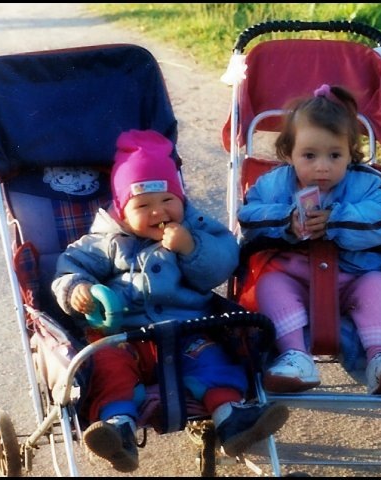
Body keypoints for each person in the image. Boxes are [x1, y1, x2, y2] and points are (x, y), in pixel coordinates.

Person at [52, 129, 289, 473]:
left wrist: (192, 248)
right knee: (108, 368)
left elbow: (224, 263)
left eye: (167, 200)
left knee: (214, 362)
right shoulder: (106, 241)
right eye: (142, 205)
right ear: (121, 211)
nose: (158, 211)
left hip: (187, 331)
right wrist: (77, 289)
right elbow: (70, 267)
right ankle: (118, 429)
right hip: (123, 335)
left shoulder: (197, 230)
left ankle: (231, 418)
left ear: (181, 198)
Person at [237, 84, 381, 396]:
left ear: (350, 153)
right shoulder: (274, 184)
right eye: (309, 155)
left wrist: (336, 220)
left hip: (355, 275)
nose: (322, 166)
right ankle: (294, 355)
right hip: (296, 279)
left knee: (380, 285)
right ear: (289, 153)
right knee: (270, 284)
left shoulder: (367, 182)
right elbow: (248, 216)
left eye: (335, 155)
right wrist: (286, 221)